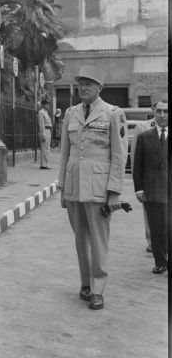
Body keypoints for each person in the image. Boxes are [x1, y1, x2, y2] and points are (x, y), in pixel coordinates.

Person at [58, 65, 126, 311]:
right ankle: (85, 283)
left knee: (98, 241)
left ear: (100, 87)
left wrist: (115, 192)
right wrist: (62, 187)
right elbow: (65, 152)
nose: (83, 88)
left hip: (99, 187)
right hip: (74, 186)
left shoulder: (113, 113)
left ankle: (98, 289)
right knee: (80, 240)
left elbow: (119, 156)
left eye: (88, 84)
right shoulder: (71, 113)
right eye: (80, 84)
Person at [133, 100, 168, 274]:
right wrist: (138, 189)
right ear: (154, 112)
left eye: (166, 111)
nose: (162, 115)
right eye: (159, 111)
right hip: (152, 191)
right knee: (155, 228)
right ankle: (160, 261)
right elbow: (137, 165)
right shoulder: (144, 137)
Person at [130, 103, 157, 253]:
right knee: (150, 213)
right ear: (153, 108)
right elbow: (135, 157)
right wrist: (138, 184)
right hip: (150, 181)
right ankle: (152, 241)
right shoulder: (143, 127)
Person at [38, 98, 52, 169]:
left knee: (47, 148)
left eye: (48, 104)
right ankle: (43, 165)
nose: (48, 106)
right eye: (46, 104)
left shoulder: (46, 112)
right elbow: (41, 124)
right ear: (43, 105)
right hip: (44, 130)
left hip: (48, 130)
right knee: (44, 148)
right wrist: (43, 134)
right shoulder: (41, 112)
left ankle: (46, 164)